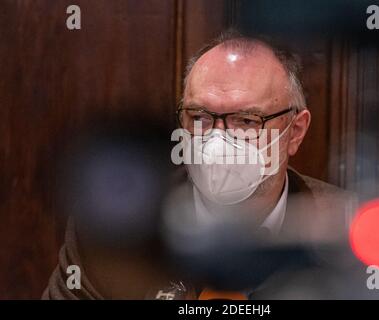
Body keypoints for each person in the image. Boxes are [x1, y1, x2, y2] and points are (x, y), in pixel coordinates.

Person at [43, 31, 357, 299]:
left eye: (245, 120)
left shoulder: (344, 234)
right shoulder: (119, 226)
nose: (218, 140)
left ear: (295, 132)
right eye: (200, 118)